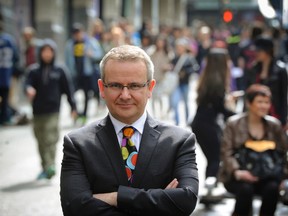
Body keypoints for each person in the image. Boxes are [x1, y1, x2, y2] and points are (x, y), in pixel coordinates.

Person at [60, 45, 199, 216]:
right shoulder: (78, 144)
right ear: (102, 88)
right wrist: (161, 204)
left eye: (134, 86)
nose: (125, 95)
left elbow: (186, 200)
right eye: (116, 85)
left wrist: (117, 197)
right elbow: (75, 208)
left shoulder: (179, 141)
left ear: (150, 88)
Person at [219, 84, 288, 216]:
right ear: (249, 103)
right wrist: (237, 172)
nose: (264, 106)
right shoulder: (234, 124)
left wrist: (282, 176)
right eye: (260, 102)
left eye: (267, 102)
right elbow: (226, 152)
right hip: (238, 175)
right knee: (245, 189)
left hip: (268, 175)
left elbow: (284, 153)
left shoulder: (274, 125)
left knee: (272, 189)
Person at [25, 39, 77, 179]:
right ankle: (45, 167)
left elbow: (68, 90)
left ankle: (50, 166)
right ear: (40, 53)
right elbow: (27, 84)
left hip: (53, 111)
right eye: (44, 51)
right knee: (40, 140)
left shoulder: (60, 71)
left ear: (53, 53)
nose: (47, 54)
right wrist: (29, 89)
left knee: (50, 138)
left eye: (50, 51)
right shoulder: (34, 71)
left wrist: (73, 106)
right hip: (37, 112)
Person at [190, 47, 235, 191]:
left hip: (201, 123)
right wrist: (238, 116)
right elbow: (219, 108)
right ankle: (209, 189)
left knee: (213, 159)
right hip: (207, 125)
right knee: (215, 158)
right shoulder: (217, 82)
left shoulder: (208, 79)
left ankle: (209, 187)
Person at [65, 22, 103, 125]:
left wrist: (92, 54)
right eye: (75, 33)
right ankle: (76, 112)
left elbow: (99, 54)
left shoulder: (90, 42)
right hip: (75, 74)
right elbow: (67, 60)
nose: (77, 35)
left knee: (87, 95)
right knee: (72, 94)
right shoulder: (70, 44)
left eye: (78, 33)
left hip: (87, 73)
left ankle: (84, 115)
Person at [245, 36, 288, 128]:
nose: (256, 54)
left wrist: (284, 119)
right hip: (255, 113)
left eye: (259, 51)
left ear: (268, 51)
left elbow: (284, 96)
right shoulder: (253, 69)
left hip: (274, 113)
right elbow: (248, 92)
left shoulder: (280, 70)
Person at [170, 38, 199, 125]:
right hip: (175, 84)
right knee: (175, 102)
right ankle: (177, 121)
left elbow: (195, 68)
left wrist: (186, 72)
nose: (179, 49)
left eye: (181, 47)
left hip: (185, 83)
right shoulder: (174, 58)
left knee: (186, 102)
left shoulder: (189, 58)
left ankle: (187, 120)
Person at [0, 22, 19, 125]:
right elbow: (16, 57)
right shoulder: (9, 40)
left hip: (5, 75)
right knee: (6, 99)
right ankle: (5, 118)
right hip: (6, 75)